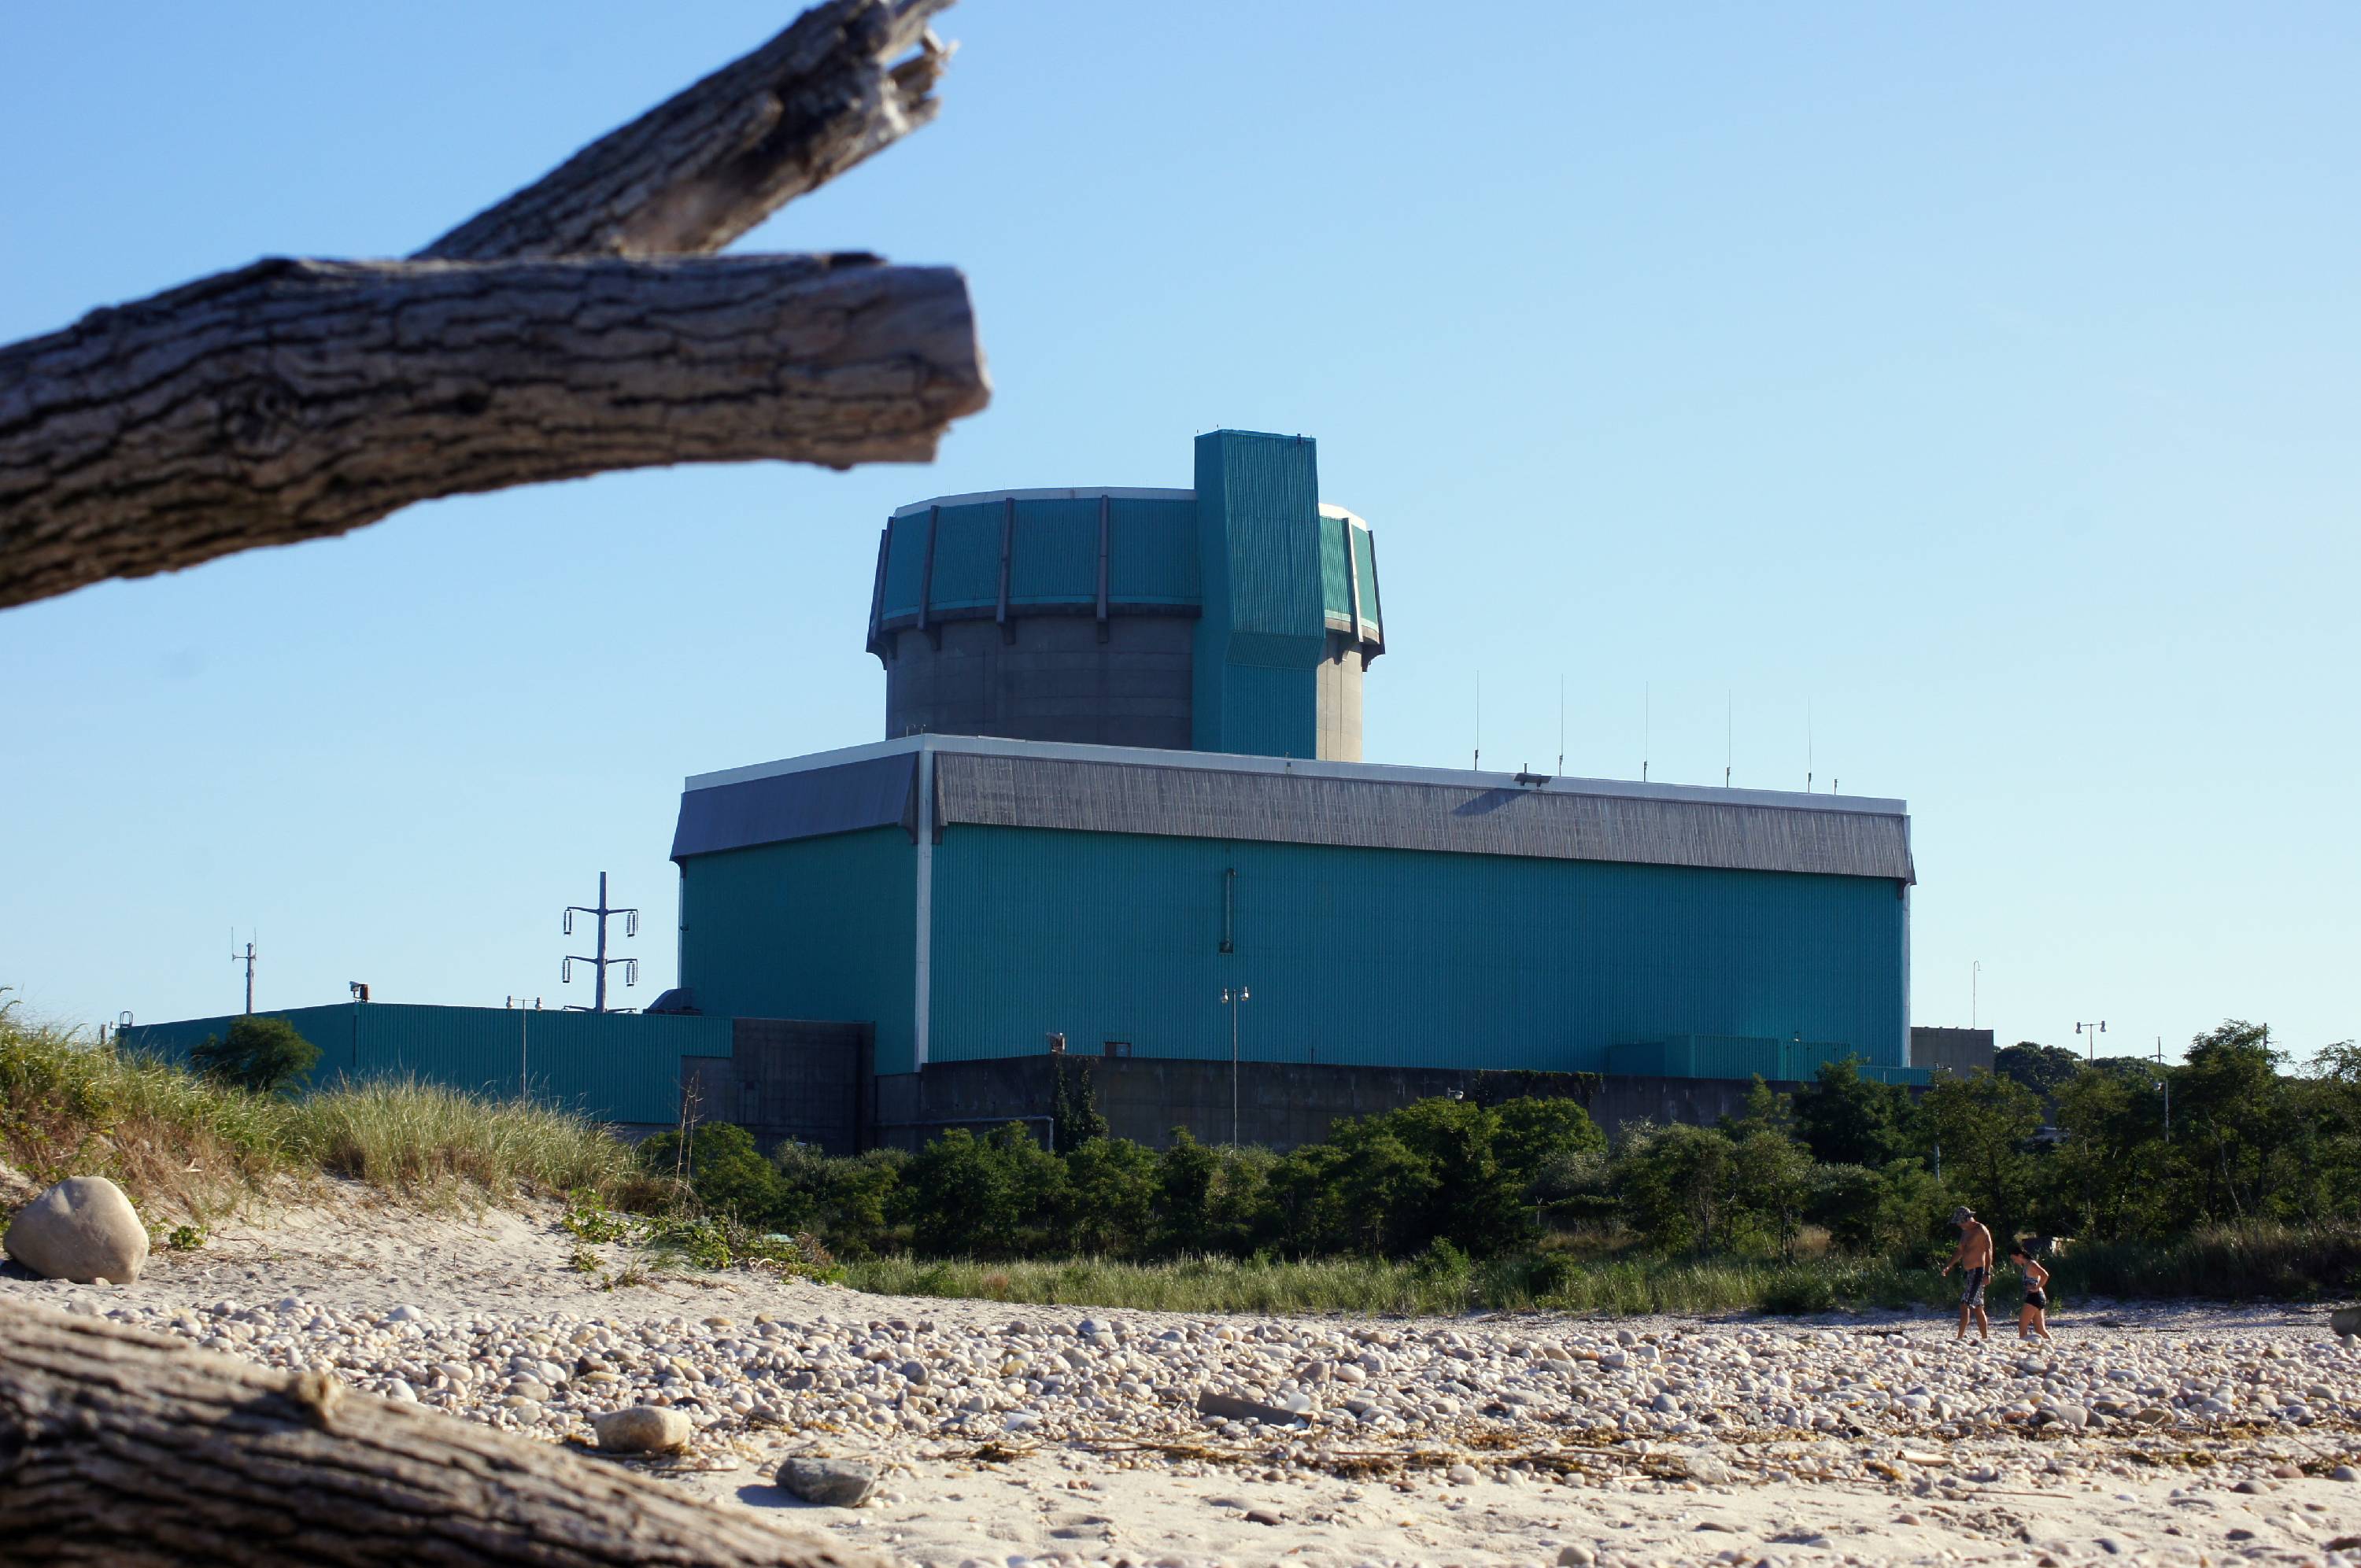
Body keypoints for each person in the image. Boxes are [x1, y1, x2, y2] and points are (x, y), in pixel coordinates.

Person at [1938, 1205, 1994, 1341]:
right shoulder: (1965, 1232)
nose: (1958, 1224)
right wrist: (1949, 1266)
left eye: (1959, 1222)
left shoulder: (1980, 1230)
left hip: (1979, 1272)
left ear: (1966, 1219)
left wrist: (1987, 1273)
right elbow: (1960, 1251)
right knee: (1978, 1306)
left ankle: (1960, 1337)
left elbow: (1989, 1251)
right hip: (1970, 1273)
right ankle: (1984, 1339)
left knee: (1965, 1303)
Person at [2011, 1244, 2052, 1341]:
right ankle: (2052, 1345)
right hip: (2038, 1297)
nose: (2014, 1262)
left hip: (2034, 1297)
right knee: (2040, 1329)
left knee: (2022, 1327)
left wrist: (2037, 1287)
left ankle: (2023, 1347)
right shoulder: (2026, 1265)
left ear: (2020, 1256)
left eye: (2014, 1259)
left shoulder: (2031, 1264)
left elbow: (2045, 1275)